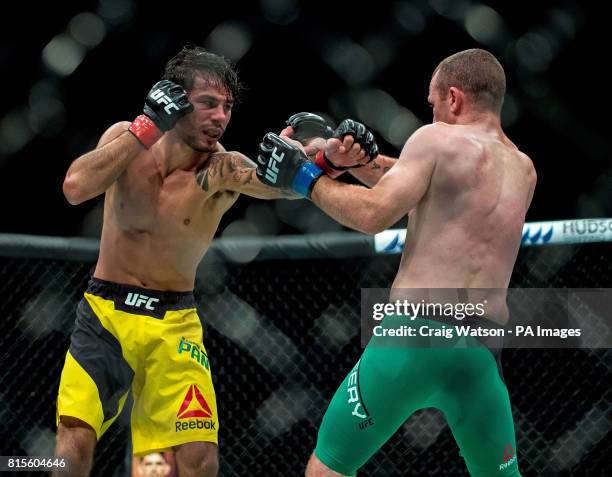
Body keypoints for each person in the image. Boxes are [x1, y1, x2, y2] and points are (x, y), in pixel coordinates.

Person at [54, 45, 374, 477]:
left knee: (196, 459)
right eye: (208, 104)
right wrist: (145, 129)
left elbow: (275, 185)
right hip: (105, 314)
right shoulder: (125, 137)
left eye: (227, 106)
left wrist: (328, 162)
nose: (221, 117)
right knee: (73, 441)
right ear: (176, 101)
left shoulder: (222, 169)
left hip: (174, 324)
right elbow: (75, 188)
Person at [256, 48, 536, 476]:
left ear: (454, 97)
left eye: (434, 103)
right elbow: (430, 188)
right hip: (480, 354)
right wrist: (363, 164)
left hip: (414, 337)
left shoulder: (434, 139)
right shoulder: (523, 168)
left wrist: (303, 176)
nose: (433, 112)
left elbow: (374, 215)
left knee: (329, 467)